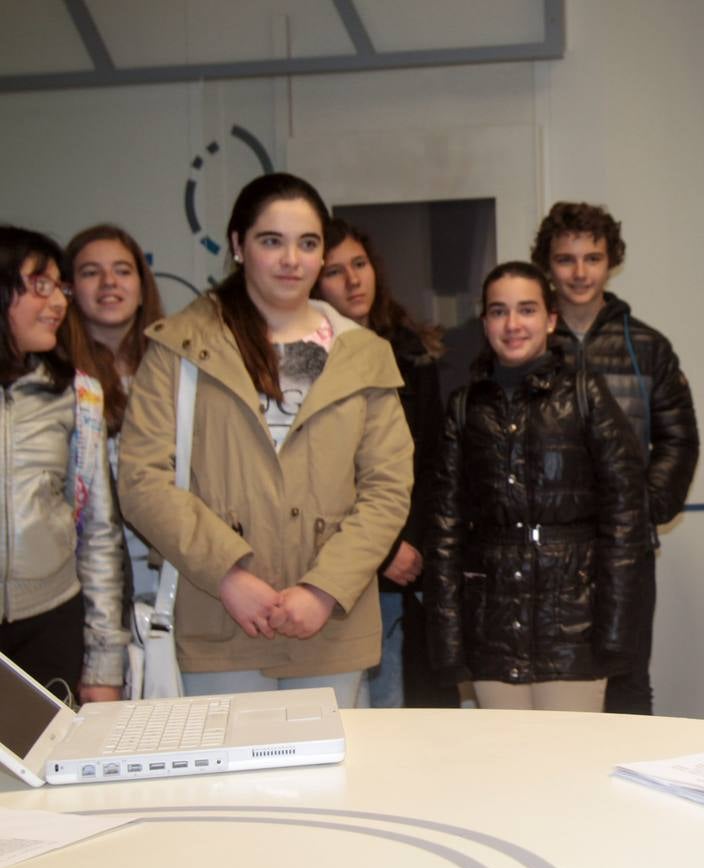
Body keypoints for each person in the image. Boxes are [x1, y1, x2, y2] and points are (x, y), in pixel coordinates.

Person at [118, 173, 413, 706]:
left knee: (328, 784)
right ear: (237, 245)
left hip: (330, 625)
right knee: (230, 787)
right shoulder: (178, 348)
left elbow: (388, 489)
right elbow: (142, 480)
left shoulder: (364, 354)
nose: (291, 260)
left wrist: (323, 589)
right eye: (270, 241)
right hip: (219, 618)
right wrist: (229, 575)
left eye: (307, 243)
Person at [426, 261, 650, 712]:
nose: (512, 325)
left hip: (574, 626)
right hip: (492, 628)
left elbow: (626, 519)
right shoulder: (465, 407)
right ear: (484, 320)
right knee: (505, 768)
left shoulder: (586, 395)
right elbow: (444, 530)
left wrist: (614, 632)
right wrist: (448, 641)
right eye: (498, 311)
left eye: (526, 310)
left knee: (570, 769)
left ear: (550, 319)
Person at [532, 201, 699, 715]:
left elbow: (679, 439)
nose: (580, 272)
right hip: (546, 550)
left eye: (593, 257)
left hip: (626, 549)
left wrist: (644, 508)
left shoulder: (647, 346)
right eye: (566, 259)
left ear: (611, 262)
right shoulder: (525, 345)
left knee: (626, 682)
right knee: (553, 681)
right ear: (547, 264)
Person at [315, 218, 452, 709]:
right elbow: (325, 475)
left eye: (360, 264)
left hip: (411, 563)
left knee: (408, 710)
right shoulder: (304, 361)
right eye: (335, 272)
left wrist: (410, 541)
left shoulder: (411, 351)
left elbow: (432, 459)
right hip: (341, 562)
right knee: (356, 711)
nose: (354, 280)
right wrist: (384, 548)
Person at [0, 225, 126, 703]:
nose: (58, 303)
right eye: (39, 286)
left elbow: (98, 536)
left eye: (61, 288)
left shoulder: (78, 394)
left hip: (51, 625)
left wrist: (103, 664)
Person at [60, 224, 166, 608]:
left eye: (122, 270)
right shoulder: (55, 381)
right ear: (68, 289)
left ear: (142, 285)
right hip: (89, 584)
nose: (109, 283)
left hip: (171, 579)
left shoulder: (177, 370)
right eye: (91, 272)